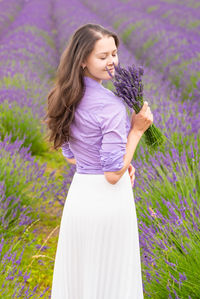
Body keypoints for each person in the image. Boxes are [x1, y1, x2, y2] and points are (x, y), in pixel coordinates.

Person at [43, 23, 153, 299]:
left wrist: (121, 160)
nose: (112, 62)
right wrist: (137, 131)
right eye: (102, 57)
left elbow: (71, 157)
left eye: (114, 54)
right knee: (112, 279)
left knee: (82, 277)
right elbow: (113, 174)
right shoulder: (111, 106)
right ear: (82, 60)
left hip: (80, 197)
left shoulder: (65, 96)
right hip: (108, 201)